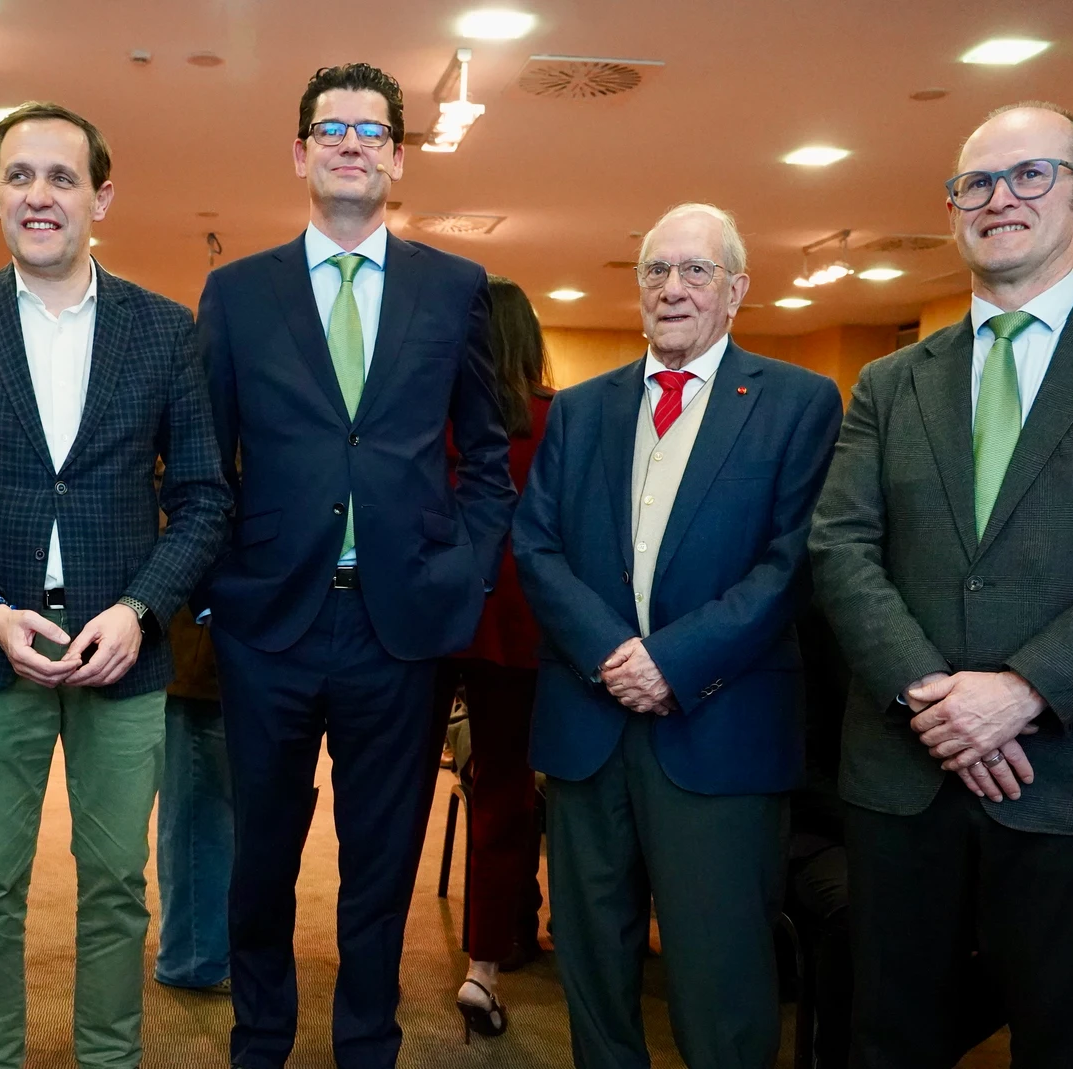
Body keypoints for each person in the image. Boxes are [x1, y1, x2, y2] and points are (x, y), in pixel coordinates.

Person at [808, 101, 1073, 1069]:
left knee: (1070, 1040)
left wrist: (1022, 690)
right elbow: (840, 545)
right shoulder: (888, 381)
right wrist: (932, 697)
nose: (998, 198)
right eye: (974, 182)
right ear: (953, 207)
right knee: (886, 1036)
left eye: (1028, 174)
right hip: (902, 772)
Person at [0, 101, 229, 1069]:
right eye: (20, 175)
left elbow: (203, 496)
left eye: (62, 177)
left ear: (100, 196)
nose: (40, 195)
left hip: (124, 650)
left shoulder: (163, 330)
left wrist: (138, 608)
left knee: (117, 883)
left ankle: (107, 1059)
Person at [195, 62, 515, 1069]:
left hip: (400, 627)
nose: (349, 144)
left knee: (381, 867)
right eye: (329, 129)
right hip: (269, 625)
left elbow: (489, 452)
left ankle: (365, 1045)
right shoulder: (236, 293)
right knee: (262, 863)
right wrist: (219, 585)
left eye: (370, 132)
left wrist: (460, 570)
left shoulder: (455, 288)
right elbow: (205, 458)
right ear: (299, 151)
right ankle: (260, 1041)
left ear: (398, 157)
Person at [513, 202, 842, 1069]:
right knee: (591, 969)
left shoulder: (799, 404)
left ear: (736, 291)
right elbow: (535, 545)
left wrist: (670, 661)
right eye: (656, 270)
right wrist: (609, 656)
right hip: (589, 732)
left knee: (721, 978)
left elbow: (791, 565)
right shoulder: (581, 411)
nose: (672, 288)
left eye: (696, 271)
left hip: (721, 734)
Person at [429, 275, 556, 1036]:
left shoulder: (440, 418)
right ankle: (485, 963)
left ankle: (368, 945)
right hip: (523, 621)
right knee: (505, 787)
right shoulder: (557, 416)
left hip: (439, 610)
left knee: (395, 781)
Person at [154, 603, 233, 994]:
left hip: (275, 643)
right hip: (202, 649)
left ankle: (212, 951)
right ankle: (194, 957)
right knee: (201, 808)